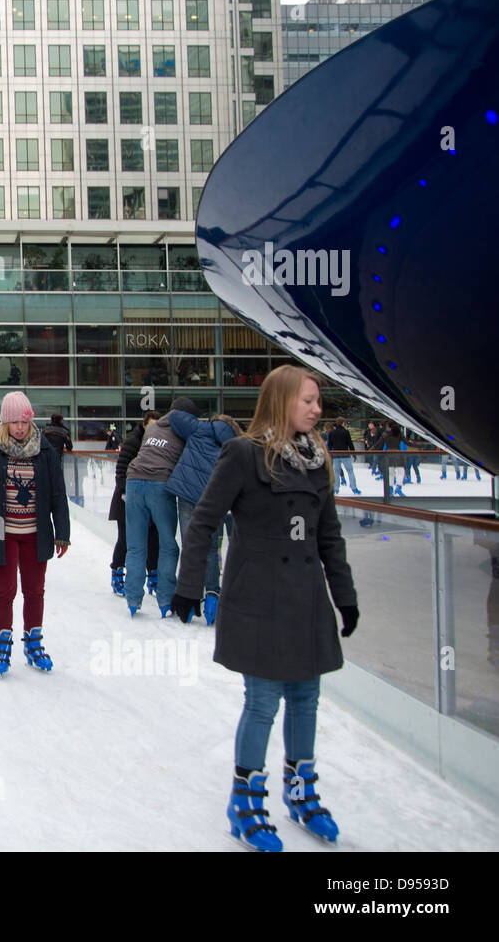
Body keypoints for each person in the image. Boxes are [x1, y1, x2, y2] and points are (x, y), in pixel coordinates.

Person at [171, 365, 358, 852]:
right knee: (262, 702)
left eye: (319, 402)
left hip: (307, 598)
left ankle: (300, 791)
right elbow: (204, 522)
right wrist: (189, 586)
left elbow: (329, 536)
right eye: (310, 401)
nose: (318, 410)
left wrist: (345, 596)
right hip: (258, 599)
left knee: (306, 698)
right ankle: (245, 800)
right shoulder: (242, 454)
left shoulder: (317, 461)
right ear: (281, 401)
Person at [0, 392, 70, 675]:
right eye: (13, 422)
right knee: (4, 590)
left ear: (31, 420)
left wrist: (63, 532)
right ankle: (2, 645)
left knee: (35, 591)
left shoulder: (45, 451)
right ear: (5, 422)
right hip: (2, 532)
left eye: (24, 421)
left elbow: (58, 493)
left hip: (36, 532)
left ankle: (33, 642)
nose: (19, 428)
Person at [166, 411, 244, 625]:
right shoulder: (236, 443)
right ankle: (212, 597)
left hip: (188, 496)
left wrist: (201, 420)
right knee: (210, 550)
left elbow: (174, 416)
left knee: (190, 546)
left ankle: (188, 599)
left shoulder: (201, 428)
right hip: (214, 499)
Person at [123, 399, 198, 617]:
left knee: (136, 546)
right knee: (168, 545)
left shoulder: (153, 427)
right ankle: (166, 600)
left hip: (134, 481)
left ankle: (133, 600)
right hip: (160, 485)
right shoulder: (185, 432)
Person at [107, 413, 160, 598]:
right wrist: (126, 493)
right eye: (151, 425)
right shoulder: (132, 443)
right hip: (126, 499)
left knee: (153, 538)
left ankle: (153, 573)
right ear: (144, 425)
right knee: (126, 538)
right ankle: (117, 571)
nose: (154, 429)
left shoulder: (159, 444)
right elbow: (121, 470)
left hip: (150, 499)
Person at [326, 417, 359, 494]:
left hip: (336, 455)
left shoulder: (332, 432)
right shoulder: (346, 432)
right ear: (343, 423)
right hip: (345, 455)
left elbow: (329, 445)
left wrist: (329, 454)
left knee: (336, 472)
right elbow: (350, 443)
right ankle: (354, 488)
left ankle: (336, 488)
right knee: (350, 471)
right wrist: (353, 453)